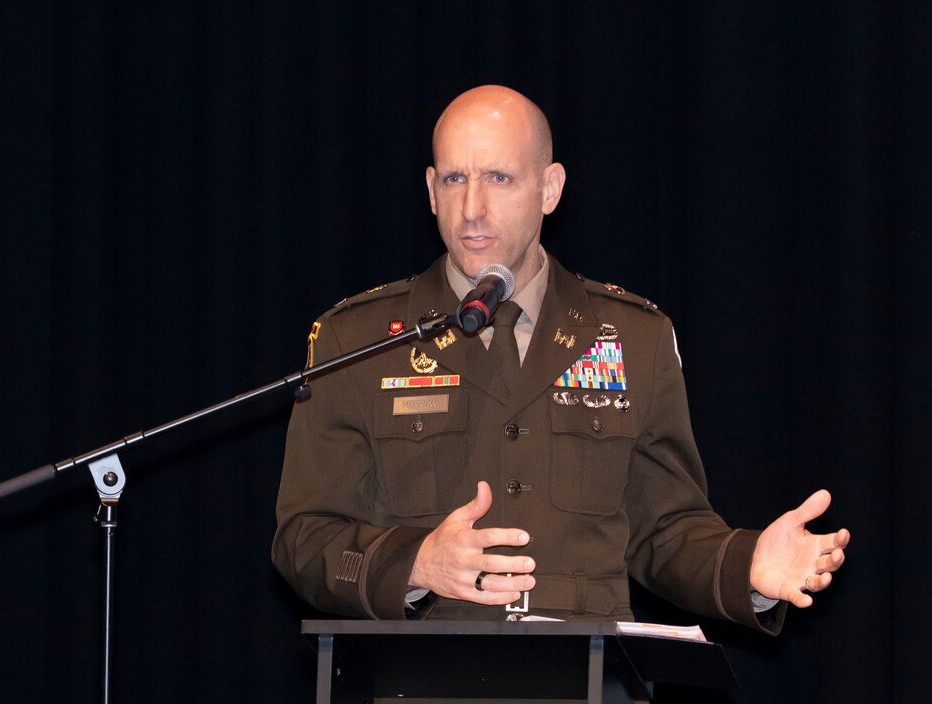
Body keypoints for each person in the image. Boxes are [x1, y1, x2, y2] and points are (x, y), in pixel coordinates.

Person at [271, 85, 848, 631]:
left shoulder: (631, 336)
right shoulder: (361, 339)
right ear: (429, 191)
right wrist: (413, 563)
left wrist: (746, 569)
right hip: (419, 703)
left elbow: (663, 532)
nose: (472, 207)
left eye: (499, 178)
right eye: (454, 178)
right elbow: (303, 540)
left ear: (549, 188)